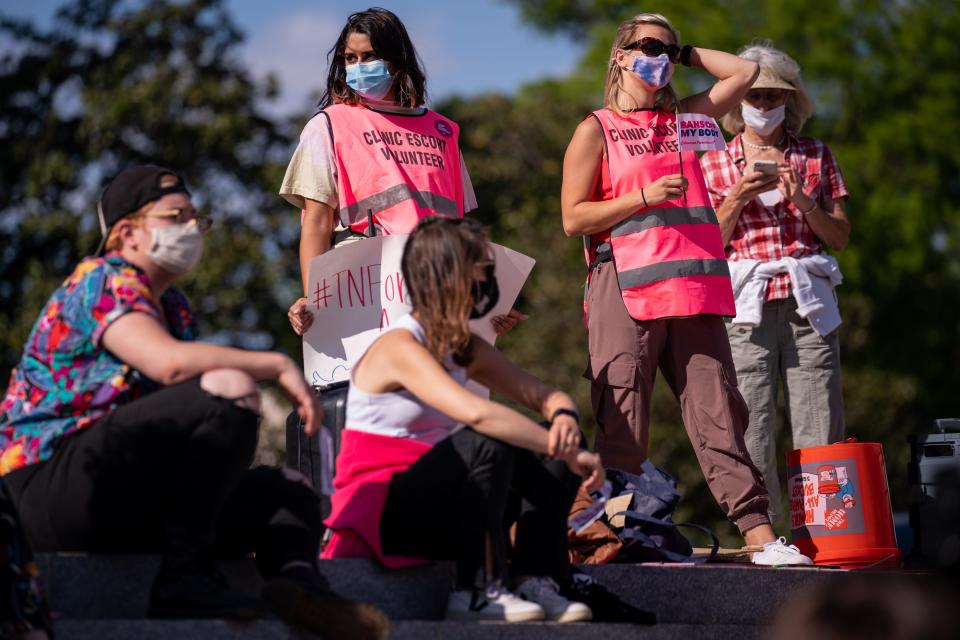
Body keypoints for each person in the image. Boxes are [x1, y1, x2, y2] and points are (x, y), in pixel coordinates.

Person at [0, 165, 388, 639]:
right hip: (45, 488)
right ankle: (183, 577)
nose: (191, 229)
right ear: (127, 233)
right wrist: (276, 364)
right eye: (174, 216)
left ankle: (301, 589)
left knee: (286, 487)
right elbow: (169, 365)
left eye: (194, 218)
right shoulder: (99, 279)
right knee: (229, 387)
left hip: (128, 495)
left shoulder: (176, 306)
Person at [560, 13, 810, 565]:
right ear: (620, 55)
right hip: (623, 285)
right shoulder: (594, 129)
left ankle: (760, 536)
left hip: (695, 289)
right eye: (648, 47)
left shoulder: (687, 117)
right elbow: (574, 218)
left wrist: (683, 50)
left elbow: (745, 72)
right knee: (623, 410)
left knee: (720, 408)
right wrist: (644, 197)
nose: (660, 58)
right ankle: (618, 535)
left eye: (668, 50)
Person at [322, 216, 605, 623]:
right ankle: (473, 590)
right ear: (447, 276)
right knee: (489, 438)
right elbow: (475, 412)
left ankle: (533, 577)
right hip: (384, 513)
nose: (491, 281)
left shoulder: (462, 346)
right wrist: (567, 451)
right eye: (483, 270)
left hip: (438, 506)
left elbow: (546, 396)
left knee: (555, 433)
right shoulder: (398, 346)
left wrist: (563, 422)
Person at [280, 7, 523, 338]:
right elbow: (317, 222)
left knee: (442, 386)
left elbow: (463, 230)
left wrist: (490, 299)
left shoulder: (443, 131)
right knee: (369, 387)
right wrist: (313, 298)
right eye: (349, 58)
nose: (358, 66)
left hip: (438, 286)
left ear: (397, 60)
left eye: (369, 56)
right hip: (362, 288)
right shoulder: (329, 125)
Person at [701, 44, 850, 522]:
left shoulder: (815, 154)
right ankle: (763, 537)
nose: (763, 106)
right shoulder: (713, 161)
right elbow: (710, 245)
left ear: (791, 101)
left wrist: (804, 200)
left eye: (773, 97)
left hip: (808, 305)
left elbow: (840, 236)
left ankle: (826, 534)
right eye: (754, 95)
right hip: (746, 306)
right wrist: (738, 197)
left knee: (820, 422)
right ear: (737, 101)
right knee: (751, 425)